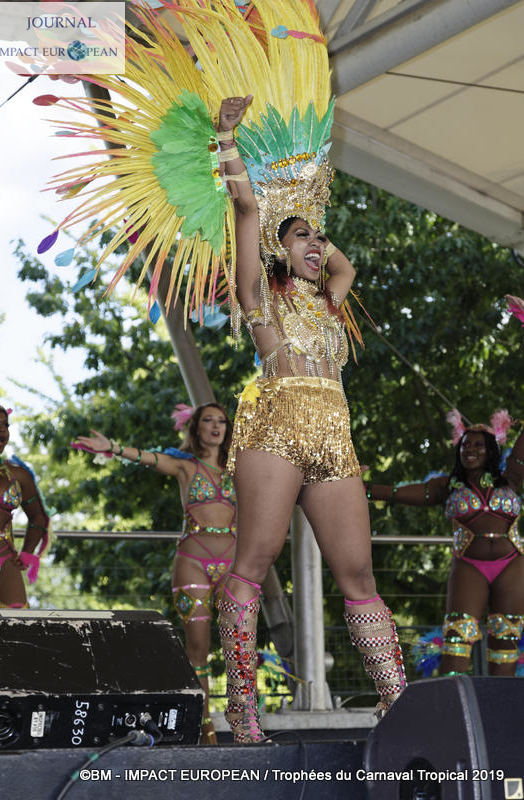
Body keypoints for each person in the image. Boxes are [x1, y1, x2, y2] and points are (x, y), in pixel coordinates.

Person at [212, 93, 406, 744]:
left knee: (359, 574)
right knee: (255, 559)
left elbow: (343, 262)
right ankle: (242, 707)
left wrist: (306, 206)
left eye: (320, 236)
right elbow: (245, 210)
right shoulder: (259, 296)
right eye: (305, 237)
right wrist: (231, 143)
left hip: (334, 438)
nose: (319, 245)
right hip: (276, 427)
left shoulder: (330, 301)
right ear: (276, 246)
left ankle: (398, 706)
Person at [73, 402, 235, 745]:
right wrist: (113, 448)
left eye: (222, 421)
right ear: (196, 428)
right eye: (208, 420)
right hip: (194, 560)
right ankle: (205, 730)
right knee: (198, 650)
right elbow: (148, 457)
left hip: (236, 564)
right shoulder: (185, 467)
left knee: (239, 647)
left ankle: (246, 724)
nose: (216, 426)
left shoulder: (241, 469)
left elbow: (282, 486)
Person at [365, 392, 524, 677]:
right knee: (457, 640)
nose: (470, 450)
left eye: (478, 445)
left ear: (491, 450)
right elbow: (396, 493)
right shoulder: (447, 486)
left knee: (506, 639)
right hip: (469, 567)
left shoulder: (510, 478)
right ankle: (455, 712)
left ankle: (502, 714)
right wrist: (359, 486)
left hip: (512, 566)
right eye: (465, 445)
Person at [0, 401, 50, 608]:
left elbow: (38, 517)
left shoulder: (19, 474)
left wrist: (27, 553)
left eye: (5, 425)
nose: (1, 430)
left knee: (15, 625)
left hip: (3, 559)